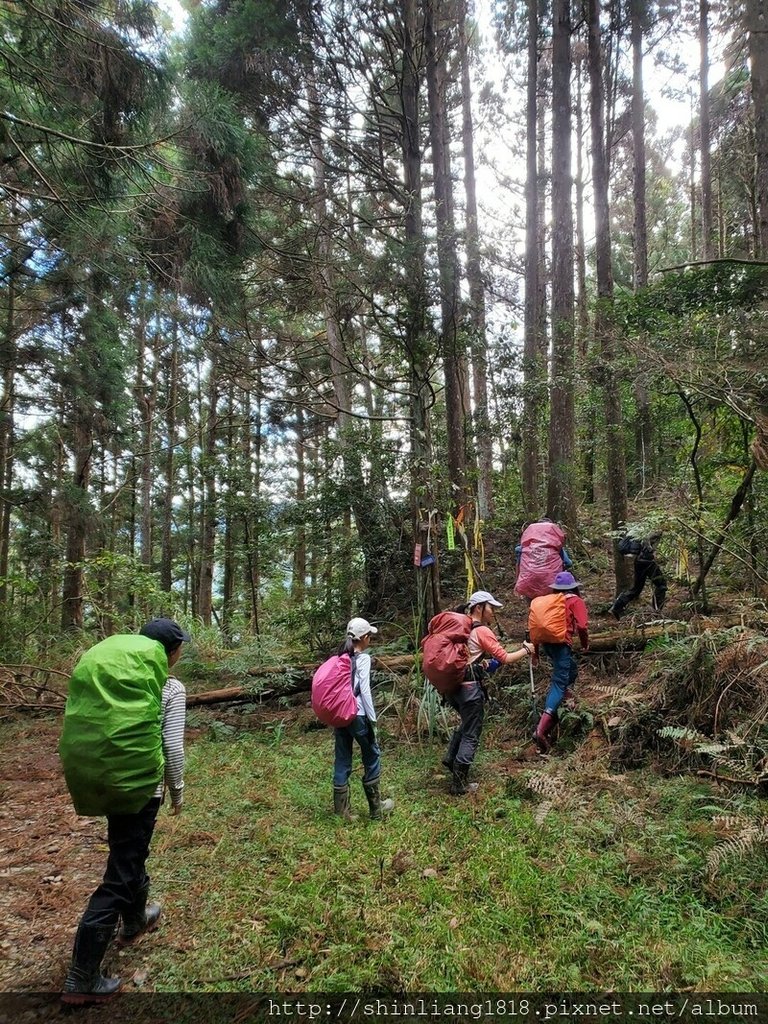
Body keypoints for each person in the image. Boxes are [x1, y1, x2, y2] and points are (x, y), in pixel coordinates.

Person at [58, 618, 188, 1005]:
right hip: (143, 788)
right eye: (180, 648)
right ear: (171, 651)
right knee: (122, 870)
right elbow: (173, 748)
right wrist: (177, 791)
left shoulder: (112, 680)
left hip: (109, 778)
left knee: (128, 851)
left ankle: (134, 920)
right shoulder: (170, 686)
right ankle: (81, 977)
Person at [443, 591, 534, 795]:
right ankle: (459, 782)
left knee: (466, 723)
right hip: (469, 690)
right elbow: (505, 658)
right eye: (491, 607)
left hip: (453, 688)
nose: (493, 612)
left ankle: (451, 758)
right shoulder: (481, 631)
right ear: (479, 608)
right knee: (471, 733)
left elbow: (466, 656)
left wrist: (482, 663)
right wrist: (527, 650)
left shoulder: (461, 626)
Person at [332, 617, 394, 822]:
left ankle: (342, 812)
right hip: (357, 715)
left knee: (342, 758)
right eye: (370, 636)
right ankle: (377, 809)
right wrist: (373, 719)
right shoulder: (364, 659)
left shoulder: (340, 657)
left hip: (340, 715)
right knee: (372, 755)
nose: (370, 640)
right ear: (365, 638)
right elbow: (365, 691)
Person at [531, 572, 589, 753]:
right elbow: (582, 626)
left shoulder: (549, 602)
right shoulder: (575, 601)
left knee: (571, 670)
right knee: (558, 682)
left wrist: (536, 652)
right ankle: (541, 730)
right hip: (562, 645)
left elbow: (536, 626)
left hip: (547, 645)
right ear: (573, 586)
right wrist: (585, 644)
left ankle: (565, 696)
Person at [514, 517, 573, 601]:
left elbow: (519, 564)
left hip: (528, 582)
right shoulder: (554, 547)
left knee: (533, 607)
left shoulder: (524, 548)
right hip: (550, 584)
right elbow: (568, 563)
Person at [610, 532, 667, 619]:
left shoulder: (641, 528)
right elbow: (646, 541)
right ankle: (657, 611)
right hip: (646, 561)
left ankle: (617, 608)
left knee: (636, 590)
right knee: (661, 585)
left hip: (639, 561)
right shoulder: (654, 528)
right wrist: (650, 550)